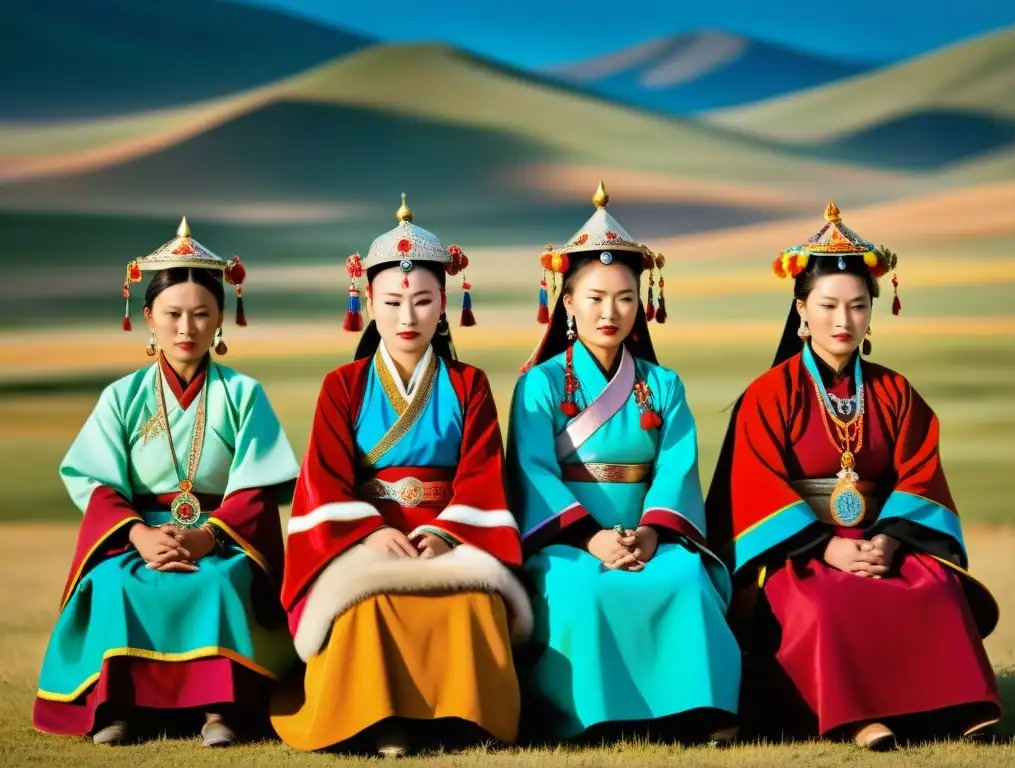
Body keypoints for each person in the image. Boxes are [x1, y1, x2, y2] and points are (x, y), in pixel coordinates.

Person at [706, 202, 1001, 750]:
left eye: (858, 306)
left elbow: (920, 471)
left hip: (879, 535)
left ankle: (956, 706)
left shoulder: (894, 391)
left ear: (872, 312)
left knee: (934, 586)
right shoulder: (769, 394)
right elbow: (754, 484)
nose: (843, 322)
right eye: (828, 306)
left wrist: (889, 540)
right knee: (824, 602)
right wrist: (827, 548)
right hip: (795, 551)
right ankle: (853, 716)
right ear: (801, 311)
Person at [270, 194, 530, 757]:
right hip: (365, 532)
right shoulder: (342, 384)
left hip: (450, 530)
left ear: (444, 303)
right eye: (391, 302)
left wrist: (444, 534)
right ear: (367, 302)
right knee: (367, 601)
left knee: (471, 598)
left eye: (421, 301)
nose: (406, 317)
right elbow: (323, 478)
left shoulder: (470, 384)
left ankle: (465, 715)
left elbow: (484, 471)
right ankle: (376, 716)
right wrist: (369, 532)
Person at [33, 218, 300, 746]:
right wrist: (138, 535)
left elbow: (255, 485)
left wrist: (207, 536)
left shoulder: (244, 394)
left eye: (202, 314)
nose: (186, 328)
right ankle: (120, 706)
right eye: (173, 315)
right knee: (117, 582)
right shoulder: (121, 396)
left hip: (220, 536)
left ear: (221, 318)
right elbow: (98, 480)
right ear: (148, 317)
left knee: (220, 582)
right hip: (139, 533)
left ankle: (220, 709)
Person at [506, 182, 740, 744]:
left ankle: (695, 712)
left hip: (649, 535)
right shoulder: (536, 386)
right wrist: (590, 538)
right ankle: (592, 716)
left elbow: (677, 468)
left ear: (641, 304)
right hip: (566, 542)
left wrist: (654, 535)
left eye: (625, 298)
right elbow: (532, 471)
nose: (610, 311)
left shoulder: (665, 385)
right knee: (584, 590)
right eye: (594, 297)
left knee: (684, 577)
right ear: (567, 303)